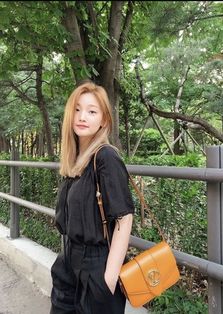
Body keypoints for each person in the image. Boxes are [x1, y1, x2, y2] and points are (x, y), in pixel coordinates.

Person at [50, 81, 134, 314]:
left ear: (104, 120)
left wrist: (108, 279)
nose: (82, 116)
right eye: (77, 109)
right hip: (68, 264)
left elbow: (124, 219)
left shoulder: (106, 157)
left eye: (91, 111)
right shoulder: (76, 161)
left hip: (97, 267)